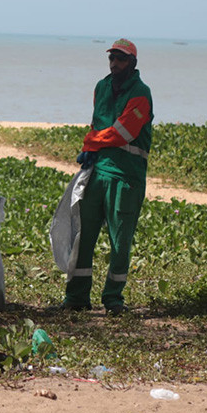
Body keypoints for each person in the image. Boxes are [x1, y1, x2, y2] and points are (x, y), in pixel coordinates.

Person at [62, 38, 153, 315]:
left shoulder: (141, 94)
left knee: (120, 240)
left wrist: (90, 144)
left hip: (126, 176)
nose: (115, 64)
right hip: (97, 171)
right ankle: (76, 297)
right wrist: (92, 150)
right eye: (112, 58)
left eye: (121, 59)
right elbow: (97, 122)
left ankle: (113, 299)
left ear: (132, 63)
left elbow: (122, 132)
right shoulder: (101, 87)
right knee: (83, 235)